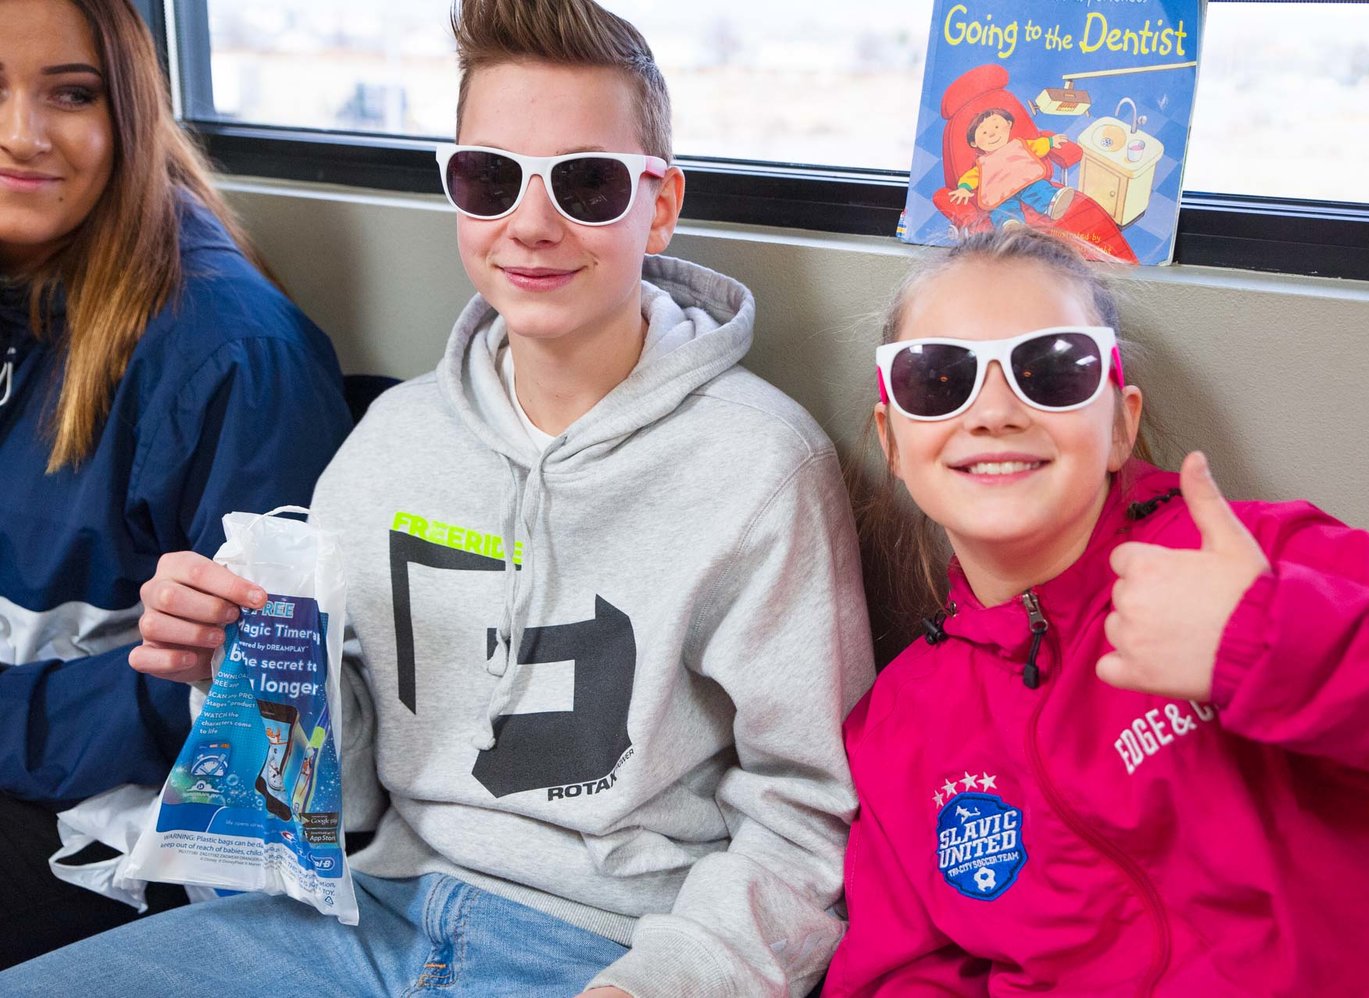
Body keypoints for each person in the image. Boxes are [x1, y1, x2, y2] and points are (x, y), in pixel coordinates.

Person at [0, 0, 874, 995]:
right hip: (366, 913)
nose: (531, 224)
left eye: (586, 183)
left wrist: (668, 979)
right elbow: (347, 773)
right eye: (489, 177)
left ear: (661, 202)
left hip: (615, 946)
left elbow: (811, 814)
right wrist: (238, 669)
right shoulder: (392, 445)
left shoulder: (762, 463)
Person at [822, 226, 1369, 994]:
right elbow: (907, 974)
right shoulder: (898, 728)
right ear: (893, 441)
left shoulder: (1260, 562)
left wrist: (1268, 640)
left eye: (1051, 370)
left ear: (1120, 424)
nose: (994, 413)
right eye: (939, 379)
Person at [0, 0, 349, 967]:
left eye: (71, 94)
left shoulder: (234, 352)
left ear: (131, 112)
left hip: (126, 840)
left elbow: (260, 714)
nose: (22, 135)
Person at [947, 109, 1075, 228]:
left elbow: (1036, 147)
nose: (992, 134)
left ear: (1008, 124)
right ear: (974, 142)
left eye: (996, 127)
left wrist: (1050, 142)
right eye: (984, 132)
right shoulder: (982, 164)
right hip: (1000, 194)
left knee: (1039, 187)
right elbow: (971, 177)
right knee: (1002, 209)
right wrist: (964, 188)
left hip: (1027, 183)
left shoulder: (1019, 145)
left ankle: (1051, 203)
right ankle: (1010, 225)